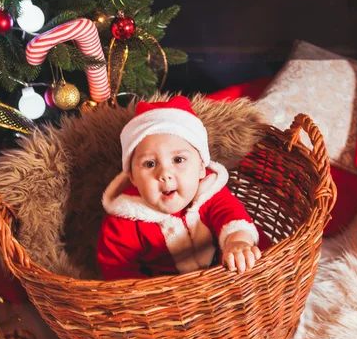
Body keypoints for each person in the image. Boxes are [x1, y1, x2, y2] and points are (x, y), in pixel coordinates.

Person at [97, 96, 262, 280]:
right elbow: (118, 275)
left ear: (201, 167)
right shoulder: (123, 222)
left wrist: (237, 242)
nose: (165, 173)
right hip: (165, 292)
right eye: (150, 164)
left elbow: (232, 218)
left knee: (252, 257)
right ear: (133, 178)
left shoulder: (210, 192)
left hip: (223, 274)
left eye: (178, 160)